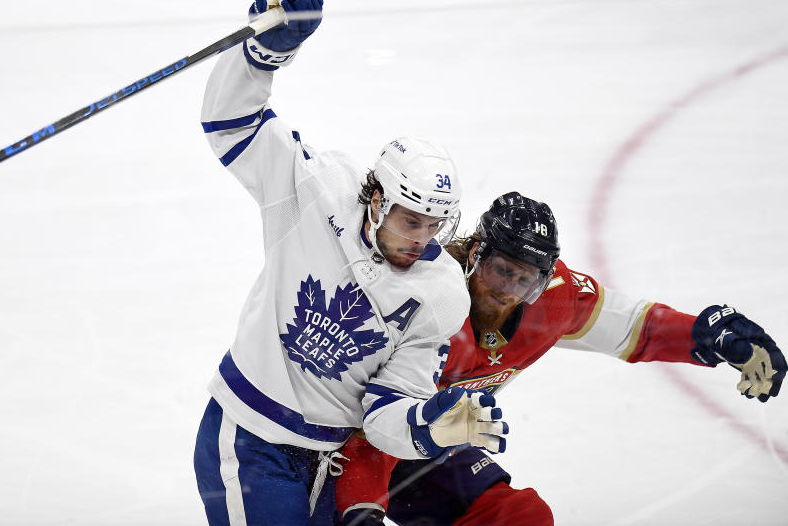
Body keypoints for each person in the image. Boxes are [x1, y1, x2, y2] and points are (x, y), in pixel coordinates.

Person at [192, 0, 508, 526]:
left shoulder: (440, 293)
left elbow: (384, 412)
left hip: (327, 463)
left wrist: (428, 428)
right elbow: (229, 123)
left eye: (435, 226)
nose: (422, 238)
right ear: (378, 199)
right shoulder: (312, 190)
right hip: (251, 440)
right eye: (412, 220)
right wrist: (263, 54)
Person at [335, 191, 785, 526]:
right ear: (475, 256)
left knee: (520, 517)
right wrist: (361, 505)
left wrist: (711, 336)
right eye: (500, 270)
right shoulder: (422, 305)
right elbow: (365, 424)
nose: (508, 290)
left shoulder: (552, 301)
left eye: (525, 279)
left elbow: (635, 328)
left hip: (425, 440)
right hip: (340, 441)